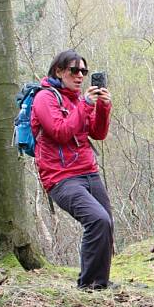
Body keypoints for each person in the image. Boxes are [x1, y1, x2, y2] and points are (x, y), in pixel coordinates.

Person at [31, 50, 113, 290]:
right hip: (61, 177)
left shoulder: (78, 99)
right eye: (74, 71)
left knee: (106, 222)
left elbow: (98, 133)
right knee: (97, 220)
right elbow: (60, 131)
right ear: (59, 71)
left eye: (83, 72)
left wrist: (103, 107)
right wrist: (86, 105)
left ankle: (100, 282)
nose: (79, 76)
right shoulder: (45, 98)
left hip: (88, 170)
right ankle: (88, 285)